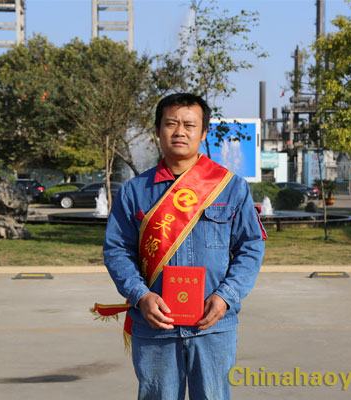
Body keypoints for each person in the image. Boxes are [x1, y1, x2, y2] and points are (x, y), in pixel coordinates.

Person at [100, 93, 266, 399]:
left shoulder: (231, 187)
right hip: (155, 326)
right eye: (171, 124)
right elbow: (117, 250)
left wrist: (226, 296)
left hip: (213, 325)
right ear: (157, 130)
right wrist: (141, 295)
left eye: (189, 125)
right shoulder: (134, 191)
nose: (180, 132)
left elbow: (250, 247)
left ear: (203, 133)